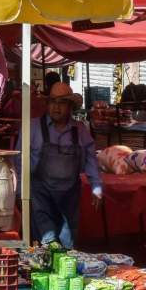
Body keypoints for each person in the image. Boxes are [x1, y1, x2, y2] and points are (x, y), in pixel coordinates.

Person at [27, 83, 103, 250]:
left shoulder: (80, 130)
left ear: (70, 106)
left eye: (62, 102)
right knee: (47, 243)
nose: (56, 107)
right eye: (53, 101)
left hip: (69, 196)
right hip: (41, 195)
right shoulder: (32, 128)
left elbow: (91, 158)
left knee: (67, 247)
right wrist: (20, 193)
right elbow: (19, 162)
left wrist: (96, 186)